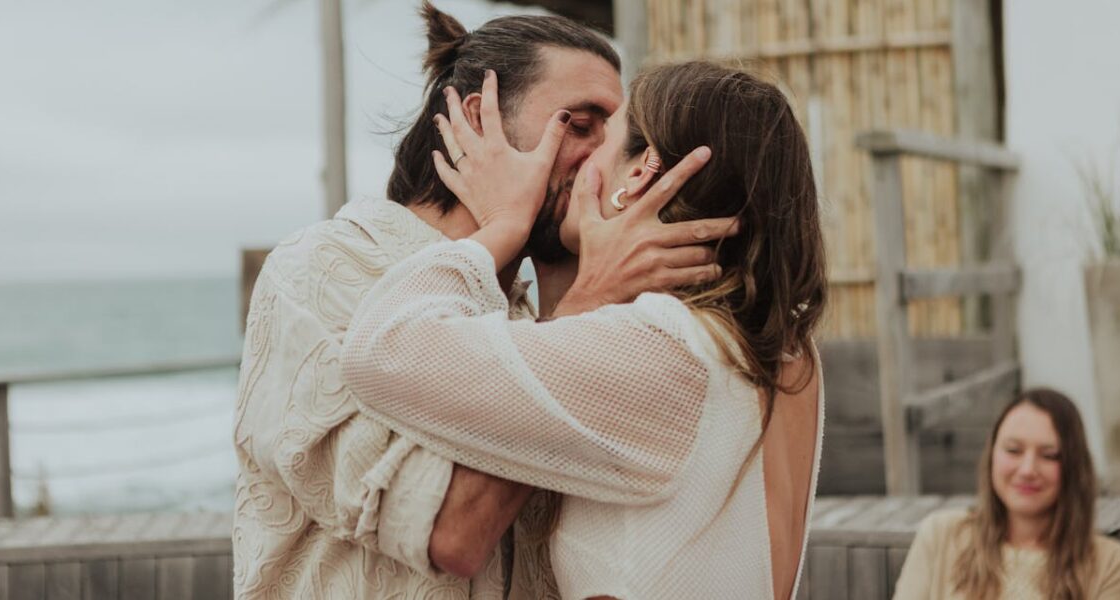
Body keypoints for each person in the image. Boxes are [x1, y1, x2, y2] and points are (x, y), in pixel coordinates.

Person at [232, 3, 730, 598]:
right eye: (580, 123)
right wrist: (589, 301)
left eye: (613, 132)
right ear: (480, 117)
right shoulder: (325, 273)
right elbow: (450, 531)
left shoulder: (535, 314)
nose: (604, 157)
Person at [339, 60, 828, 599]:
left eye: (601, 143)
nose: (572, 165)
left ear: (639, 173)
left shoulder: (662, 346)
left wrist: (504, 223)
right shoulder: (787, 354)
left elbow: (380, 350)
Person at [893, 388, 1120, 599]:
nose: (1028, 469)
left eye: (1049, 455)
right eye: (1013, 450)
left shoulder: (1111, 564)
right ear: (991, 456)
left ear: (1074, 466)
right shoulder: (941, 535)